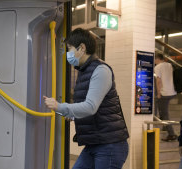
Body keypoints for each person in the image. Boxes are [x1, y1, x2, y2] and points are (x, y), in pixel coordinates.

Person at [43, 28, 129, 169]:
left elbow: (90, 107)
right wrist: (73, 114)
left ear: (82, 48)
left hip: (109, 146)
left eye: (69, 49)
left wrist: (59, 106)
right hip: (94, 144)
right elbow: (95, 109)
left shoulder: (101, 70)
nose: (68, 54)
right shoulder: (84, 71)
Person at [154, 52, 177, 141]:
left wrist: (159, 93)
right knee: (162, 111)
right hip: (171, 91)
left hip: (164, 93)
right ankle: (165, 127)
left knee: (164, 113)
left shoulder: (157, 67)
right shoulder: (169, 65)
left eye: (155, 60)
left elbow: (158, 81)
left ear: (157, 59)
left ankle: (171, 134)